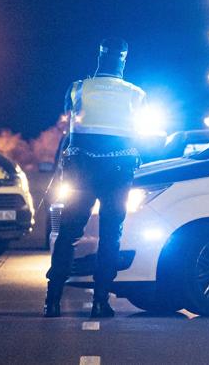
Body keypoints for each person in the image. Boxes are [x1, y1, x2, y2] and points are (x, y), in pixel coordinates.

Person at [44, 37, 145, 319]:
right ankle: (101, 302)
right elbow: (144, 133)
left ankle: (52, 301)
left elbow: (67, 120)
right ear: (123, 61)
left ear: (99, 58)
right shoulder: (136, 94)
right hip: (118, 171)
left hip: (80, 170)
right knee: (110, 236)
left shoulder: (78, 88)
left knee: (68, 234)